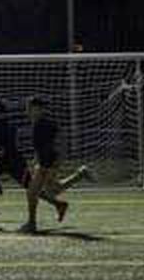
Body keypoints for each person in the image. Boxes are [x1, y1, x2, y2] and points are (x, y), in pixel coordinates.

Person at [20, 95, 93, 233]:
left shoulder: (45, 123)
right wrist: (34, 161)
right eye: (27, 107)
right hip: (44, 162)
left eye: (30, 107)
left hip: (49, 162)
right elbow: (39, 147)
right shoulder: (36, 123)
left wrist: (60, 158)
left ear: (39, 109)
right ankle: (80, 175)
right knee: (53, 190)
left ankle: (32, 224)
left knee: (32, 192)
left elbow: (62, 137)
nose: (27, 110)